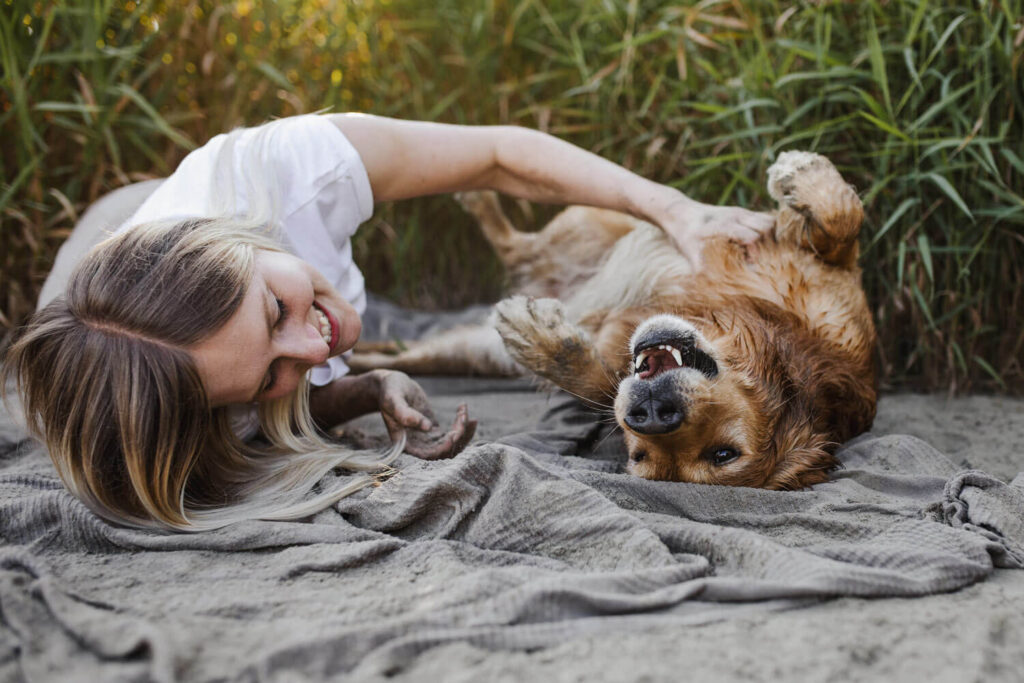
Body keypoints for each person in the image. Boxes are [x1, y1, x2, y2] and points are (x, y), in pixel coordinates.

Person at [3, 113, 774, 531]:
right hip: (99, 290)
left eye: (277, 310)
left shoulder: (286, 169)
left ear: (235, 240)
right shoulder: (174, 386)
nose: (318, 345)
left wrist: (680, 211)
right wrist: (359, 387)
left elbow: (498, 154)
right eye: (273, 373)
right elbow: (242, 424)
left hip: (126, 220)